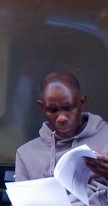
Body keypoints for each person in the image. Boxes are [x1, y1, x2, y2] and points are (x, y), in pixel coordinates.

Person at [15, 71, 108, 205]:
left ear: (81, 102)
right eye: (53, 110)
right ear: (42, 106)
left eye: (68, 108)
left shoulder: (105, 138)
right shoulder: (26, 155)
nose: (62, 117)